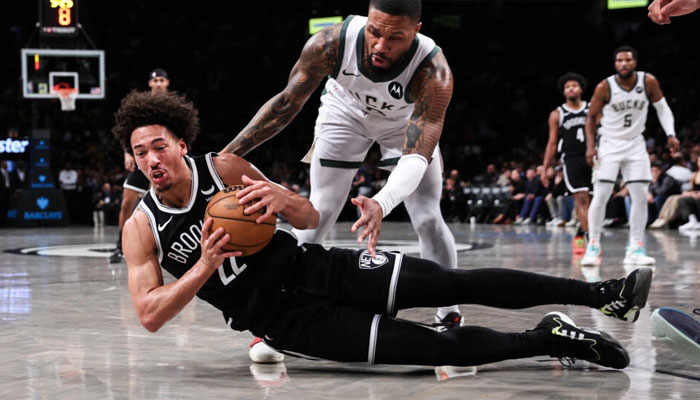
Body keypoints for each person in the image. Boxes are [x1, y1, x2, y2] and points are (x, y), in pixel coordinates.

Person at [115, 90, 653, 371]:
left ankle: (602, 295)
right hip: (289, 322)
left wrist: (284, 200)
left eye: (160, 144)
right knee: (438, 352)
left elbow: (306, 218)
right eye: (141, 152)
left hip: (320, 268)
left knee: (450, 282)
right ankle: (549, 337)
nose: (152, 158)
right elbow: (150, 315)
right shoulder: (142, 228)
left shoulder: (225, 169)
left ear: (181, 143)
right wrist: (206, 264)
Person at [224, 0, 463, 359]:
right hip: (344, 111)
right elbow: (287, 104)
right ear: (367, 19)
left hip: (404, 124)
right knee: (320, 209)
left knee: (428, 217)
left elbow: (416, 156)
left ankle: (449, 313)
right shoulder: (331, 43)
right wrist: (226, 156)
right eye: (375, 32)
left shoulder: (434, 72)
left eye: (394, 38)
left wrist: (381, 202)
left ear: (416, 30)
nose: (380, 45)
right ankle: (280, 314)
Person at [581, 46, 679, 266]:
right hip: (609, 143)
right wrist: (590, 147)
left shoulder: (648, 82)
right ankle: (593, 246)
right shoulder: (605, 86)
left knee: (640, 196)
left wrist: (671, 134)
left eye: (627, 60)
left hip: (635, 144)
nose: (623, 64)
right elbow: (590, 118)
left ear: (635, 62)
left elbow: (663, 109)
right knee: (601, 195)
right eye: (619, 61)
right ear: (615, 64)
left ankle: (635, 247)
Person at [110, 68, 170, 263]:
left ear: (167, 83)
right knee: (127, 202)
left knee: (165, 202)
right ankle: (120, 245)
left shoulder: (173, 106)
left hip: (165, 159)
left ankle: (162, 244)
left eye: (162, 80)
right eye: (156, 81)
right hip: (143, 158)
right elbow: (127, 130)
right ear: (150, 84)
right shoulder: (143, 105)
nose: (159, 83)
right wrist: (128, 152)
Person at [541, 73, 592, 254]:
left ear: (581, 89)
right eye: (567, 86)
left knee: (592, 202)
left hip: (593, 157)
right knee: (582, 199)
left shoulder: (592, 108)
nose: (571, 88)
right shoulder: (557, 114)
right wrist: (545, 168)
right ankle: (591, 241)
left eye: (574, 85)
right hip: (571, 159)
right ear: (563, 92)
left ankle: (580, 233)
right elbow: (552, 143)